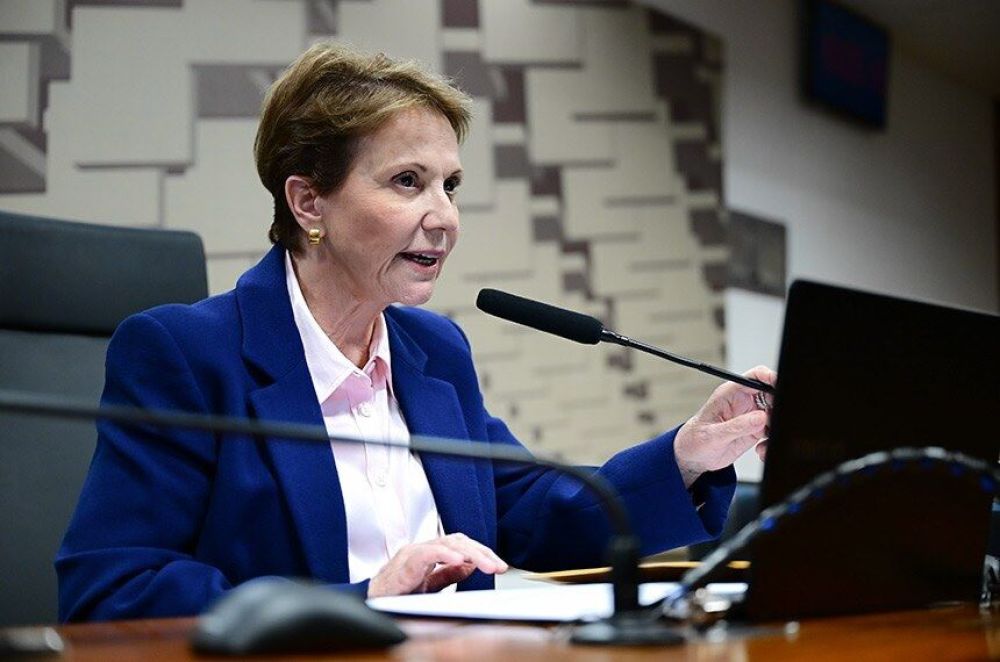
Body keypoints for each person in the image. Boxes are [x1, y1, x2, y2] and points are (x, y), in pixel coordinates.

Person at [56, 43, 775, 622]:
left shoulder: (434, 350)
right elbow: (113, 586)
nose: (445, 216)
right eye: (407, 181)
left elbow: (526, 513)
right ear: (309, 201)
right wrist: (362, 600)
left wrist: (689, 453)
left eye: (449, 185)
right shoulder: (186, 355)